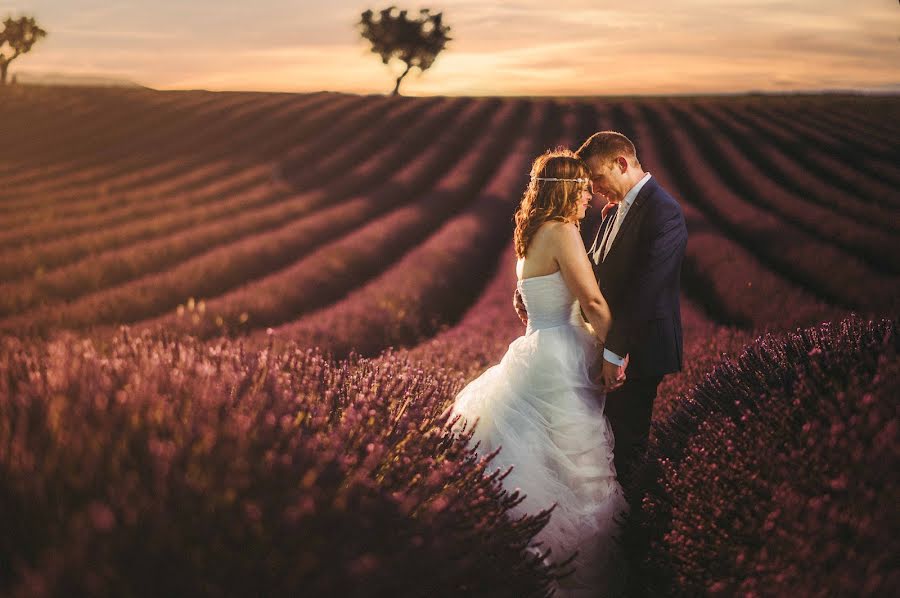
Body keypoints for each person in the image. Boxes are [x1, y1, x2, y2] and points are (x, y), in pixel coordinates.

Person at [448, 149, 629, 597]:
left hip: (536, 351)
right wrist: (616, 353)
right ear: (568, 190)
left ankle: (533, 569)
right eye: (584, 189)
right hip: (561, 356)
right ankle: (576, 580)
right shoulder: (563, 231)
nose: (588, 197)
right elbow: (591, 301)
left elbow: (527, 304)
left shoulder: (527, 237)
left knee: (540, 459)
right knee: (575, 464)